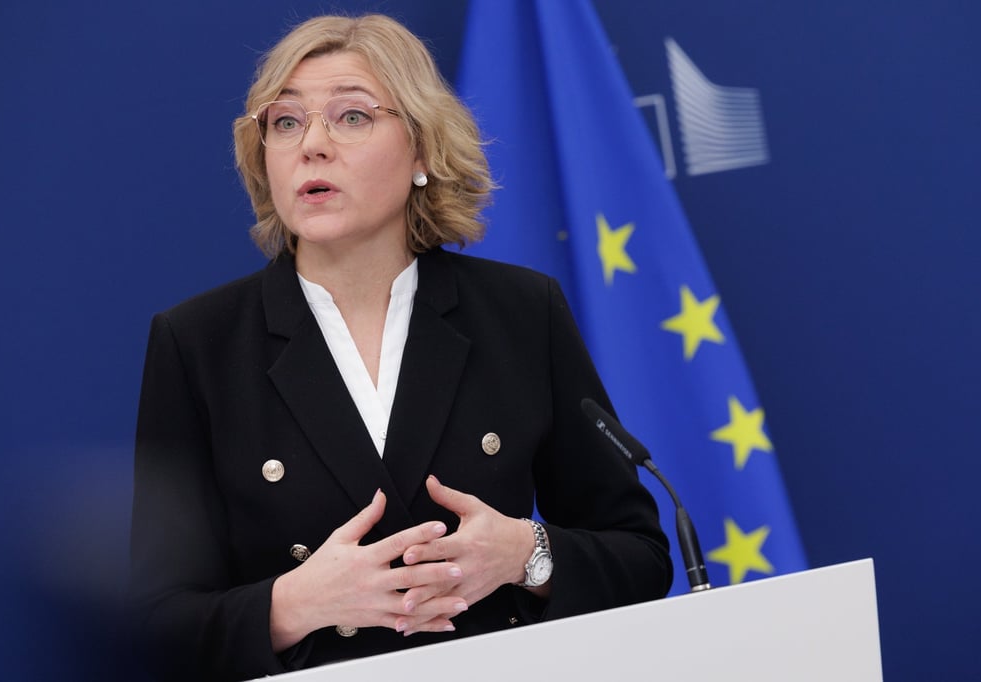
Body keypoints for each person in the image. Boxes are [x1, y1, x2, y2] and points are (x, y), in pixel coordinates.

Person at [130, 13, 672, 681]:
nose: (313, 146)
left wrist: (526, 555)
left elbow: (642, 558)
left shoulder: (521, 312)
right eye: (287, 122)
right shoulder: (198, 343)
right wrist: (293, 604)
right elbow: (153, 628)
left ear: (421, 150)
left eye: (351, 116)